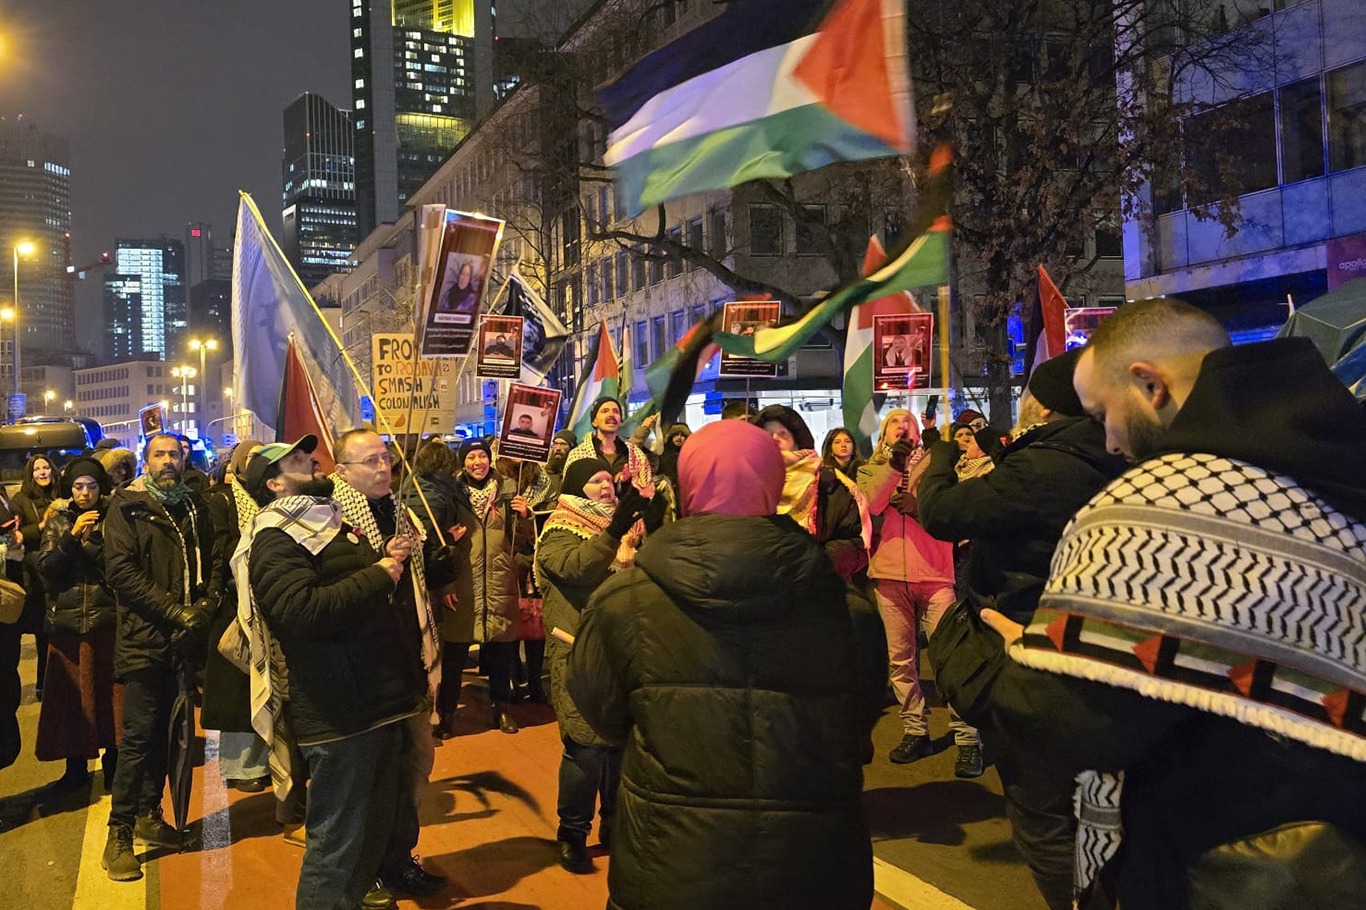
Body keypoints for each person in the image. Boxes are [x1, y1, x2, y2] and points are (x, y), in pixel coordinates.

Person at [963, 299, 1366, 910]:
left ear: (1150, 385)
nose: (1108, 440)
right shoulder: (1336, 459)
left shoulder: (1159, 505)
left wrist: (1027, 659)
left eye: (1104, 413)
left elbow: (1061, 720)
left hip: (1215, 861)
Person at [566, 420, 887, 910]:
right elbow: (862, 712)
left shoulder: (624, 601)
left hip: (672, 864)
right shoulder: (845, 606)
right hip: (812, 867)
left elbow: (599, 709)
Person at [916, 350, 1127, 910]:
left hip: (1029, 649)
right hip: (1110, 651)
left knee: (1043, 814)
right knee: (1105, 800)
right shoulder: (1126, 458)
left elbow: (942, 512)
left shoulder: (1043, 466)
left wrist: (936, 455)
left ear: (1049, 406)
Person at [242, 436, 423, 910]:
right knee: (336, 842)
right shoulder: (275, 538)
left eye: (310, 455)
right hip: (339, 711)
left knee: (371, 829)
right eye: (299, 461)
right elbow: (301, 611)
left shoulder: (331, 526)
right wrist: (379, 574)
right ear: (275, 484)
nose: (313, 462)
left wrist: (389, 559)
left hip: (378, 701)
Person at [330, 429, 448, 899]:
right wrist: (378, 563)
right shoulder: (329, 523)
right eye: (371, 461)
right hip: (365, 672)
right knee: (371, 783)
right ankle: (369, 869)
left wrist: (439, 563)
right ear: (342, 471)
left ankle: (399, 858)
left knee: (413, 768)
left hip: (408, 664)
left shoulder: (402, 512)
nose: (383, 468)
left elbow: (417, 587)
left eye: (386, 459)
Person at [102, 433, 220, 881]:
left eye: (174, 454)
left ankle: (151, 813)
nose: (168, 461)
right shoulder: (127, 506)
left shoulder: (194, 505)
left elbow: (213, 560)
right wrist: (175, 611)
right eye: (159, 455)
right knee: (138, 739)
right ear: (145, 461)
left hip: (184, 640)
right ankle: (120, 833)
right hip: (145, 640)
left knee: (173, 737)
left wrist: (206, 607)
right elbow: (122, 572)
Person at [535, 457, 650, 874]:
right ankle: (572, 833)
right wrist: (615, 530)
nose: (605, 486)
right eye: (595, 481)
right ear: (576, 488)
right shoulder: (559, 528)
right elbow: (577, 568)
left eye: (608, 480)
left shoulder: (629, 530)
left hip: (623, 651)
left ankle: (616, 828)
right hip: (578, 651)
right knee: (585, 749)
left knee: (621, 747)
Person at [856, 409, 977, 772]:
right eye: (894, 420)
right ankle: (915, 731)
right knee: (901, 661)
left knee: (949, 659)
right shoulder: (870, 468)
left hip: (936, 574)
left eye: (906, 420)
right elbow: (872, 504)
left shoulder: (938, 465)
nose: (901, 425)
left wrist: (920, 509)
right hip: (890, 575)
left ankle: (968, 738)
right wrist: (893, 465)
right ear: (885, 432)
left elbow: (953, 515)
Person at [34, 457, 121, 791]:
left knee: (109, 700)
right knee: (73, 700)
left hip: (105, 620)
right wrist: (72, 537)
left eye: (92, 486)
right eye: (78, 486)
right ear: (70, 489)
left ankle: (113, 767)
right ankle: (75, 770)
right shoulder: (57, 521)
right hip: (68, 623)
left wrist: (92, 541)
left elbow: (117, 566)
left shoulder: (113, 518)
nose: (85, 493)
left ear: (102, 488)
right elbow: (48, 567)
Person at [201, 440, 271, 795]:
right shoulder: (222, 501)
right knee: (238, 689)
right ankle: (241, 766)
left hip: (269, 604)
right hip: (234, 605)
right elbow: (220, 548)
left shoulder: (273, 499)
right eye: (253, 459)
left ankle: (268, 760)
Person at [455, 438, 527, 734]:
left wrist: (525, 516)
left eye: (482, 456)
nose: (477, 462)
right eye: (471, 457)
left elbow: (523, 540)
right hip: (465, 581)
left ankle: (502, 708)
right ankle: (446, 712)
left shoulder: (509, 491)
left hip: (500, 579)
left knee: (501, 651)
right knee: (456, 651)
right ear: (463, 462)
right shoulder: (453, 493)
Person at [403, 439, 471, 741]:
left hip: (412, 581)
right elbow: (432, 546)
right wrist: (449, 540)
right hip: (430, 584)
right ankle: (429, 720)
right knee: (432, 650)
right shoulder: (439, 495)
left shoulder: (410, 486)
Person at [754, 405, 869, 581]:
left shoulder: (829, 483)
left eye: (782, 434)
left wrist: (822, 564)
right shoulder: (745, 486)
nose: (775, 439)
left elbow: (855, 541)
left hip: (817, 590)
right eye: (767, 435)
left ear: (798, 441)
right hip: (762, 591)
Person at [12, 454, 58, 699]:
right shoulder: (21, 500)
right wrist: (41, 526)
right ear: (30, 474)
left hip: (59, 572)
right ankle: (42, 685)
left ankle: (54, 683)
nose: (42, 472)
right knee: (41, 633)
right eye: (37, 468)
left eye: (46, 467)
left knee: (55, 635)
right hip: (34, 577)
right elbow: (16, 535)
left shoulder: (60, 495)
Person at [563, 396, 654, 493]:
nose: (611, 414)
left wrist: (626, 484)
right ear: (594, 421)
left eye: (616, 411)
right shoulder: (578, 455)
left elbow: (647, 491)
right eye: (605, 411)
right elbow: (569, 494)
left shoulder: (635, 455)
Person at [531, 430, 577, 512]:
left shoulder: (576, 473)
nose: (558, 448)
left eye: (563, 444)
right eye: (555, 444)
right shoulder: (544, 473)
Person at [655, 423, 690, 493]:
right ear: (671, 436)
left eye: (682, 435)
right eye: (676, 434)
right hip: (666, 489)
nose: (679, 437)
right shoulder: (663, 453)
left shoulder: (689, 453)